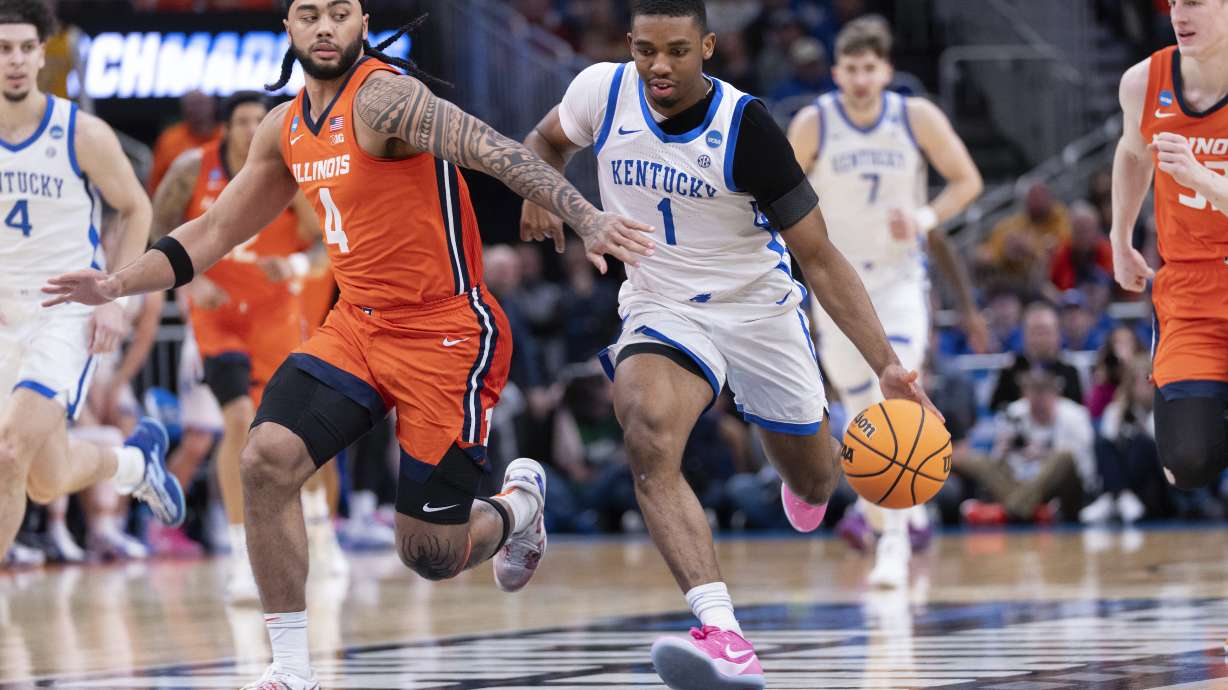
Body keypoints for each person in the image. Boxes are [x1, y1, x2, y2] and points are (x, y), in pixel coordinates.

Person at [43, 1, 653, 687]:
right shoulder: (282, 127)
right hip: (358, 326)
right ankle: (293, 670)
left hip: (446, 331)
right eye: (310, 14)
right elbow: (212, 232)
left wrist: (586, 215)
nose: (325, 27)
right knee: (266, 460)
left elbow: (494, 148)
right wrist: (118, 283)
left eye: (340, 13)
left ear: (362, 22)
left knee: (431, 555)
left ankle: (517, 508)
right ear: (290, 30)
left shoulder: (386, 99)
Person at [519, 2, 936, 688]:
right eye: (646, 48)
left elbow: (821, 258)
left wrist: (885, 364)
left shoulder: (750, 129)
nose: (659, 65)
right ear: (629, 44)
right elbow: (542, 143)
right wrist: (546, 191)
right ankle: (723, 633)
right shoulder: (601, 90)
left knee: (815, 482)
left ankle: (806, 475)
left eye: (677, 50)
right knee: (648, 434)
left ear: (707, 47)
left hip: (758, 310)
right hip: (662, 306)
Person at [786, 16, 985, 590]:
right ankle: (898, 511)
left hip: (898, 283)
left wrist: (924, 217)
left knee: (892, 400)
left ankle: (891, 544)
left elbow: (966, 180)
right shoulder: (814, 122)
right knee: (858, 419)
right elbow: (779, 196)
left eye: (871, 68)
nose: (861, 79)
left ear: (887, 71)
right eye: (851, 69)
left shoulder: (914, 117)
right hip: (838, 287)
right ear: (836, 72)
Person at [0, 0, 184, 560]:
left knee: (8, 454)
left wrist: (114, 296)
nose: (16, 61)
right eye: (4, 49)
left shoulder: (81, 132)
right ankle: (132, 463)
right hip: (5, 314)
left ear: (42, 54)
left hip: (65, 310)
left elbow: (136, 209)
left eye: (27, 48)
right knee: (43, 477)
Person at [150, 89, 340, 603]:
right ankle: (241, 554)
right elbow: (156, 233)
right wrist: (188, 282)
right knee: (237, 423)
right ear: (228, 127)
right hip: (218, 321)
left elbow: (328, 245)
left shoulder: (295, 172)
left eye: (263, 119)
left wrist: (297, 266)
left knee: (298, 436)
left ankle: (321, 528)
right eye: (244, 121)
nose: (253, 128)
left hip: (278, 317)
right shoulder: (193, 170)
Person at [1111, 0, 1228, 503]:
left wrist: (1203, 177)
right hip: (1191, 290)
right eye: (1175, 1)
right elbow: (1132, 152)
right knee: (1187, 462)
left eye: (1196, 2)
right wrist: (1120, 237)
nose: (1180, 13)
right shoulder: (1143, 82)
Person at [957, 367, 1092, 524]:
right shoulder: (1014, 412)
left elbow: (1084, 466)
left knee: (1064, 457)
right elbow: (997, 460)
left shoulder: (1075, 415)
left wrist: (1043, 454)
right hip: (1019, 481)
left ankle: (1007, 511)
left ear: (1055, 393)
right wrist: (1003, 450)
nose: (1038, 398)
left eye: (1043, 392)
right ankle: (1033, 511)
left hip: (1059, 491)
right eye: (1032, 391)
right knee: (978, 460)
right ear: (1025, 393)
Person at [989, 301, 1084, 411]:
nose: (1040, 339)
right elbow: (997, 410)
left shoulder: (1070, 371)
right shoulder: (1010, 370)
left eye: (1046, 332)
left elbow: (1078, 411)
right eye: (1035, 331)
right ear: (1024, 335)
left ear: (1058, 335)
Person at [147, 90, 220, 195]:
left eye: (201, 104)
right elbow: (155, 180)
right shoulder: (169, 138)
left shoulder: (227, 136)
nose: (197, 110)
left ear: (213, 106)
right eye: (192, 105)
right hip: (178, 199)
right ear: (184, 108)